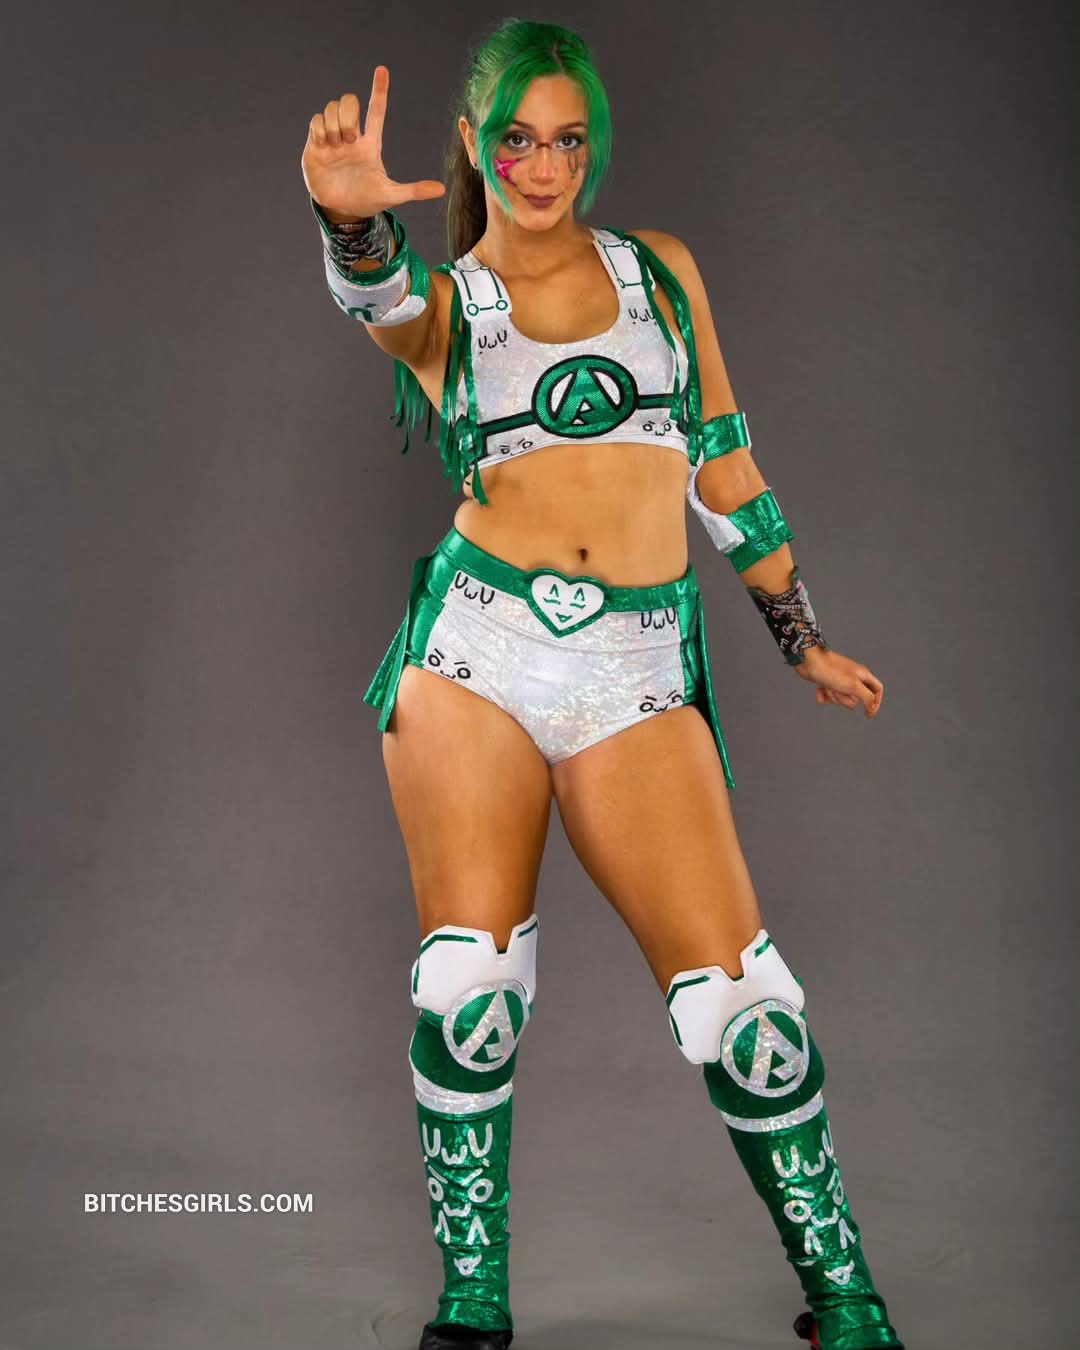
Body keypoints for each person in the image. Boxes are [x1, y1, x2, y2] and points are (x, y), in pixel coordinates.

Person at [300, 19, 904, 1350]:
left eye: (567, 141)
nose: (542, 166)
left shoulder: (661, 274)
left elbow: (723, 465)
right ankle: (473, 1295)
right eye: (516, 140)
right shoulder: (454, 301)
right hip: (477, 655)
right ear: (475, 145)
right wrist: (349, 223)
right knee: (469, 991)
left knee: (746, 1007)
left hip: (635, 669)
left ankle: (846, 1294)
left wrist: (798, 636)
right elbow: (385, 303)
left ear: (594, 148)